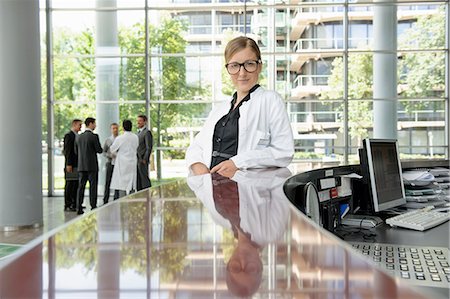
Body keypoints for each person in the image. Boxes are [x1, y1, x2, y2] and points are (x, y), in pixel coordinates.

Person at [185, 36, 294, 179]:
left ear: (259, 66)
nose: (242, 73)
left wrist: (237, 162)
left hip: (245, 190)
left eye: (249, 64)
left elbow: (283, 152)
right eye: (235, 65)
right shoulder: (220, 109)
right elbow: (197, 146)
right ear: (228, 68)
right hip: (212, 189)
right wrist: (197, 165)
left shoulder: (270, 100)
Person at [187, 167, 291, 297]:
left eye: (236, 268)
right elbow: (282, 181)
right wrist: (243, 169)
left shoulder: (220, 219)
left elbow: (198, 183)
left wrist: (205, 169)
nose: (243, 261)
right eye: (250, 269)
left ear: (229, 263)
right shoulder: (273, 231)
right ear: (260, 266)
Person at [75, 117, 103, 215]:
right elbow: (99, 150)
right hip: (92, 166)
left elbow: (76, 151)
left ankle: (79, 207)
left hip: (81, 166)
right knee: (93, 186)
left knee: (81, 187)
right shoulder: (94, 136)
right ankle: (93, 206)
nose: (95, 125)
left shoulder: (79, 137)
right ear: (90, 124)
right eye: (94, 124)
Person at [110, 119, 139, 199]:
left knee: (121, 184)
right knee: (132, 183)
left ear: (123, 128)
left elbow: (112, 149)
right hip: (132, 162)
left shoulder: (120, 138)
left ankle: (122, 202)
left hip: (122, 163)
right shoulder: (135, 137)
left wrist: (118, 154)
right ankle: (132, 201)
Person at [63, 119, 82, 212]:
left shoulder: (77, 136)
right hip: (71, 164)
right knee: (70, 184)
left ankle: (75, 203)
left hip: (77, 164)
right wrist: (68, 164)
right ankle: (68, 204)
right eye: (79, 125)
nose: (81, 127)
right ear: (74, 125)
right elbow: (67, 151)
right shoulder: (69, 136)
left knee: (75, 184)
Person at [102, 122, 119, 204]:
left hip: (118, 164)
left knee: (117, 182)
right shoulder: (108, 140)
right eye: (113, 128)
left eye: (116, 128)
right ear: (111, 130)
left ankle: (116, 198)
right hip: (110, 163)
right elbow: (104, 152)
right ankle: (105, 200)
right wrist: (109, 155)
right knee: (108, 182)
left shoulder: (120, 139)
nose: (115, 130)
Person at [136, 114, 153, 191]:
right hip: (137, 160)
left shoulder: (147, 132)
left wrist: (145, 159)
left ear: (145, 122)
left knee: (144, 180)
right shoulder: (138, 133)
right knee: (138, 180)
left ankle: (148, 195)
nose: (138, 122)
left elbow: (148, 147)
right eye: (137, 121)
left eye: (140, 121)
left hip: (142, 160)